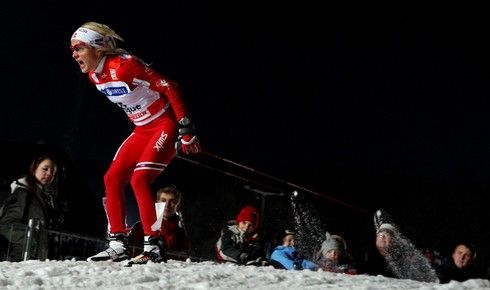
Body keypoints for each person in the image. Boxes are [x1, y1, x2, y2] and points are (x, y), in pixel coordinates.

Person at [70, 22, 201, 264]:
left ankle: (154, 244)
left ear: (97, 48)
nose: (74, 54)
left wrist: (185, 127)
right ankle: (118, 243)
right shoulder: (93, 75)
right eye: (72, 50)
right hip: (142, 129)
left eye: (79, 48)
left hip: (163, 126)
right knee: (111, 179)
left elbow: (170, 86)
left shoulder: (125, 67)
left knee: (139, 179)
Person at [0, 155, 61, 261]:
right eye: (45, 169)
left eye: (53, 172)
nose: (49, 174)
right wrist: (31, 240)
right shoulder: (23, 193)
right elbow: (7, 224)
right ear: (34, 169)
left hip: (38, 258)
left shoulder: (45, 197)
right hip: (20, 258)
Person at [155, 185, 191, 257]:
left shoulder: (185, 229)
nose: (167, 205)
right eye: (163, 200)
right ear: (157, 202)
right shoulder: (142, 226)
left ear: (178, 205)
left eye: (172, 201)